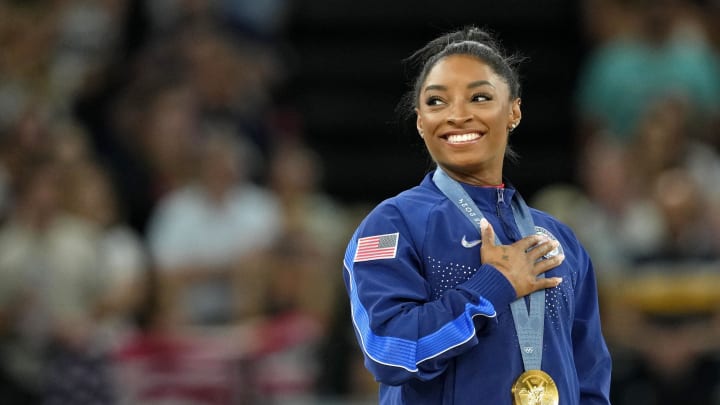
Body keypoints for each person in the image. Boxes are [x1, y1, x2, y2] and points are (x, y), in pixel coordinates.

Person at [341, 26, 612, 404]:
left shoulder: (559, 239)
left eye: (480, 97)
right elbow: (389, 351)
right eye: (437, 102)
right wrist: (492, 287)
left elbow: (590, 377)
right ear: (421, 121)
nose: (457, 115)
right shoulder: (392, 225)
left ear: (514, 111)